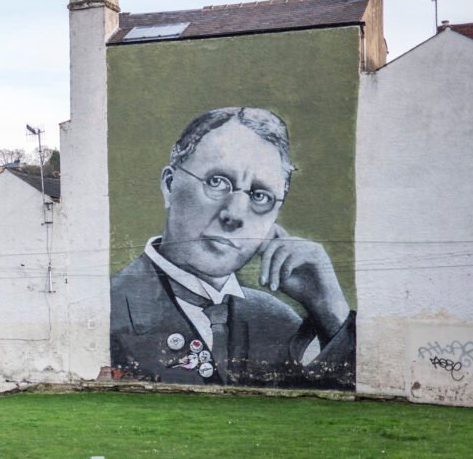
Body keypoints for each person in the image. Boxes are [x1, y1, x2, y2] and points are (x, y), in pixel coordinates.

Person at [110, 106, 355, 389]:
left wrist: (331, 310)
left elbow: (331, 411)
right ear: (169, 185)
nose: (236, 214)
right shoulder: (109, 309)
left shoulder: (277, 321)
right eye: (217, 182)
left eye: (260, 196)